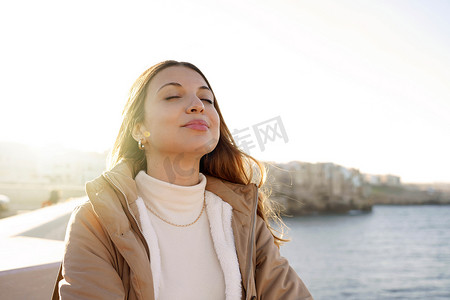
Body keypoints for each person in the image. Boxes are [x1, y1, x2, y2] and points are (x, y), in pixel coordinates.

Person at [52, 60, 313, 300]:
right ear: (139, 128)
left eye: (207, 99)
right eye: (173, 96)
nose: (197, 105)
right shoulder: (96, 222)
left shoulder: (243, 219)